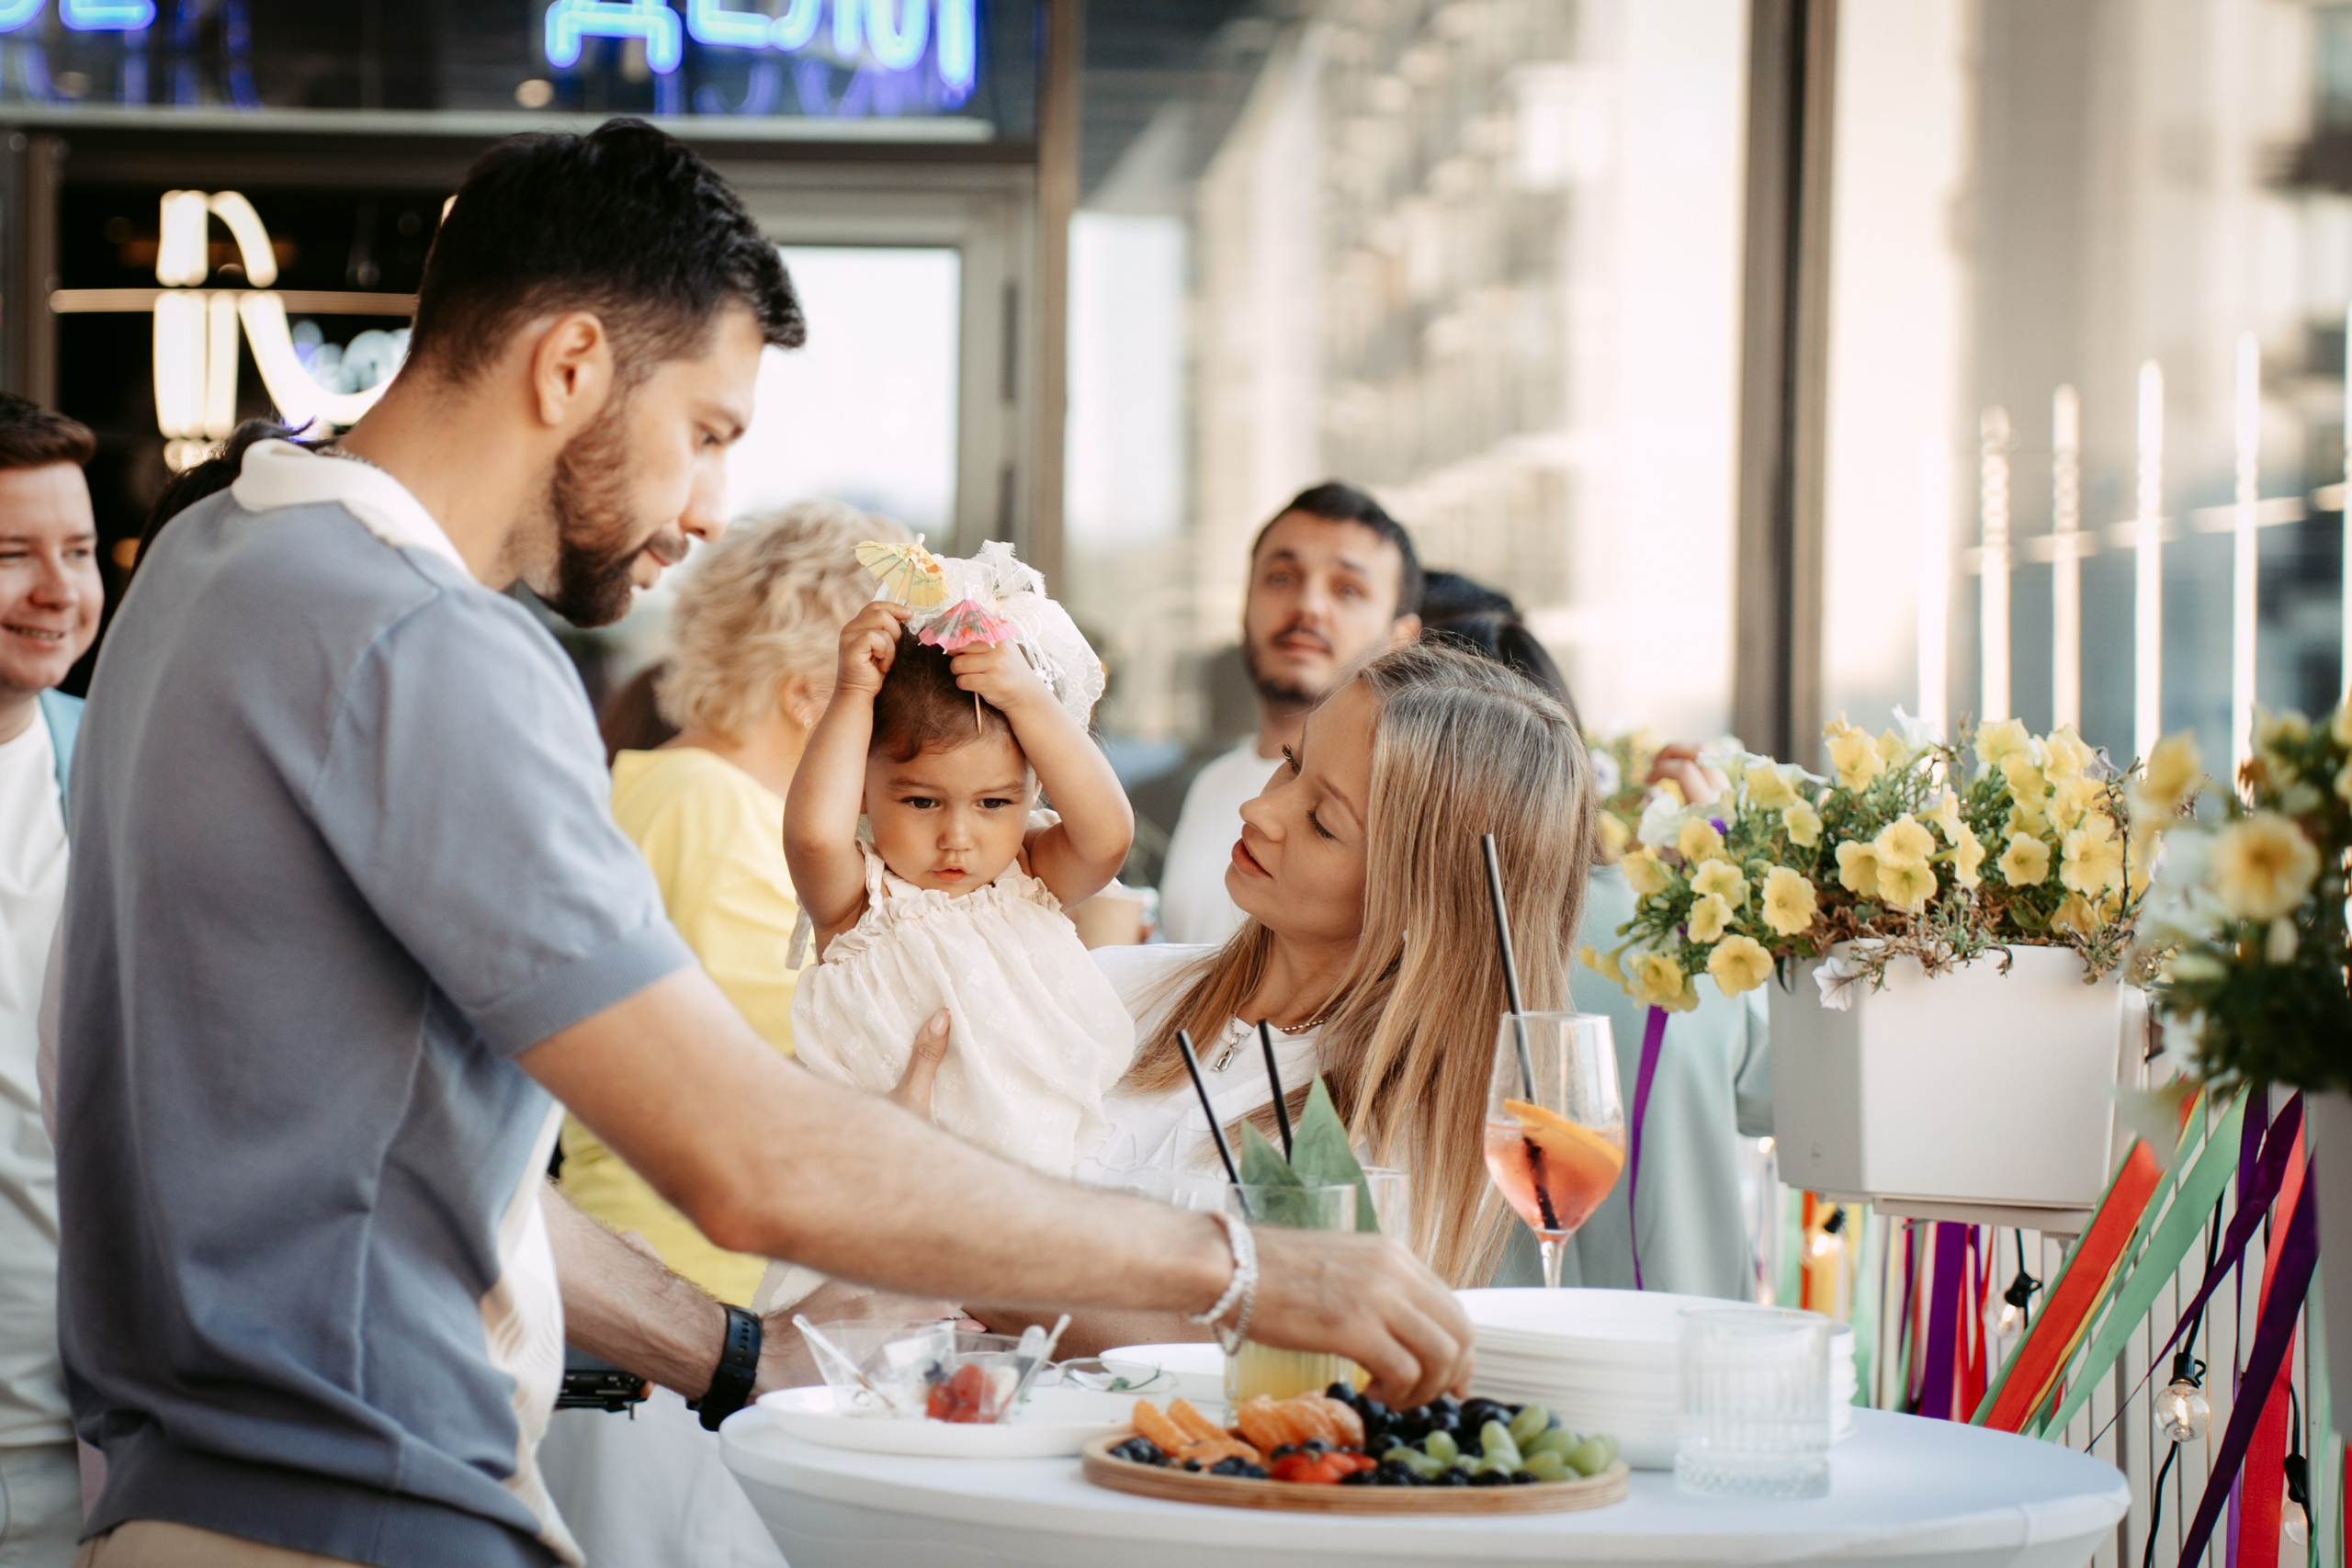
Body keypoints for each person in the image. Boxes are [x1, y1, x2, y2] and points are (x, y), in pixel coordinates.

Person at [54, 118, 1470, 1568]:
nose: (711, 509)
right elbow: (739, 1148)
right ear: (571, 367)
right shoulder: (426, 645)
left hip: (188, 1502)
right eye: (710, 432)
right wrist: (1238, 1266)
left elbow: (422, 1178)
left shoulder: (211, 561)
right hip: (356, 1515)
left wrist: (739, 1350)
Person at [1060, 642, 1594, 1330]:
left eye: (1322, 822)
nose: (1261, 809)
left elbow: (1252, 1355)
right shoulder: (1112, 984)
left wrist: (954, 1254)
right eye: (1291, 763)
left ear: (1424, 901)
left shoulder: (1403, 1140)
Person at [561, 499, 909, 1304]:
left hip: (665, 1272)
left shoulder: (660, 786)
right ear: (808, 693)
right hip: (697, 1288)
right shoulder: (713, 810)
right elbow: (808, 1057)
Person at [1415, 571, 1769, 1297]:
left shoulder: (1398, 944)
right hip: (1689, 1356)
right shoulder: (1685, 924)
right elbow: (1779, 1099)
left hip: (1490, 1372)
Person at [786, 543, 1135, 1178]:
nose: (958, 836)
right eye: (922, 800)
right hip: (890, 1198)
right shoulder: (861, 902)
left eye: (995, 802)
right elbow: (812, 836)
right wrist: (853, 692)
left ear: (1034, 791)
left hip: (1040, 1200)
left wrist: (1029, 699)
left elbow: (1108, 838)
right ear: (864, 785)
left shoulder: (1032, 872)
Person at [1156, 482, 1423, 945]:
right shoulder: (1211, 784)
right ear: (1246, 604)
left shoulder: (1395, 811)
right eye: (1282, 578)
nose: (1308, 607)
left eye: (1348, 589)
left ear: (1401, 639)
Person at [0, 396, 99, 1568]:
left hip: (97, 1438)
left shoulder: (131, 764)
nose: (57, 591)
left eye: (75, 552)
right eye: (10, 555)